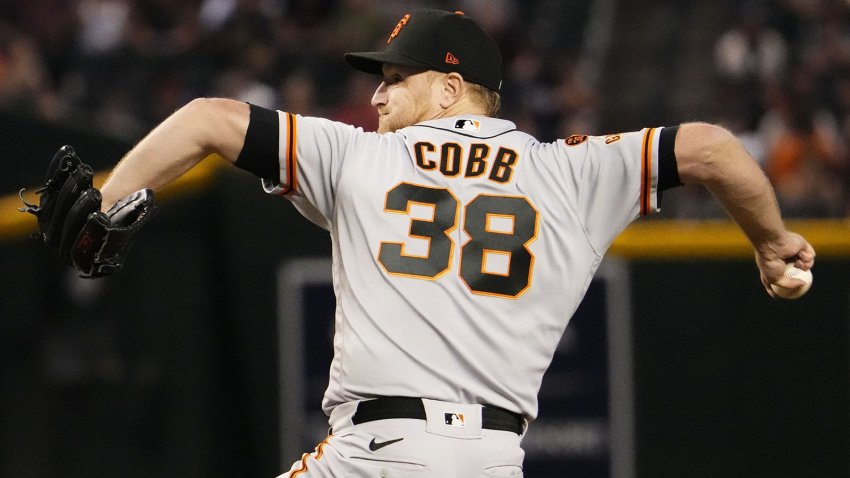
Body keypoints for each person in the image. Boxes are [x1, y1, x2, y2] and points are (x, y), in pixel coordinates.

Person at [95, 9, 815, 478]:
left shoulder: (360, 158)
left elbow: (209, 119)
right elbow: (714, 148)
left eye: (395, 79)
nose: (377, 96)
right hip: (492, 460)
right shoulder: (569, 172)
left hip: (376, 453)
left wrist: (105, 202)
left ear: (449, 89)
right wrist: (772, 241)